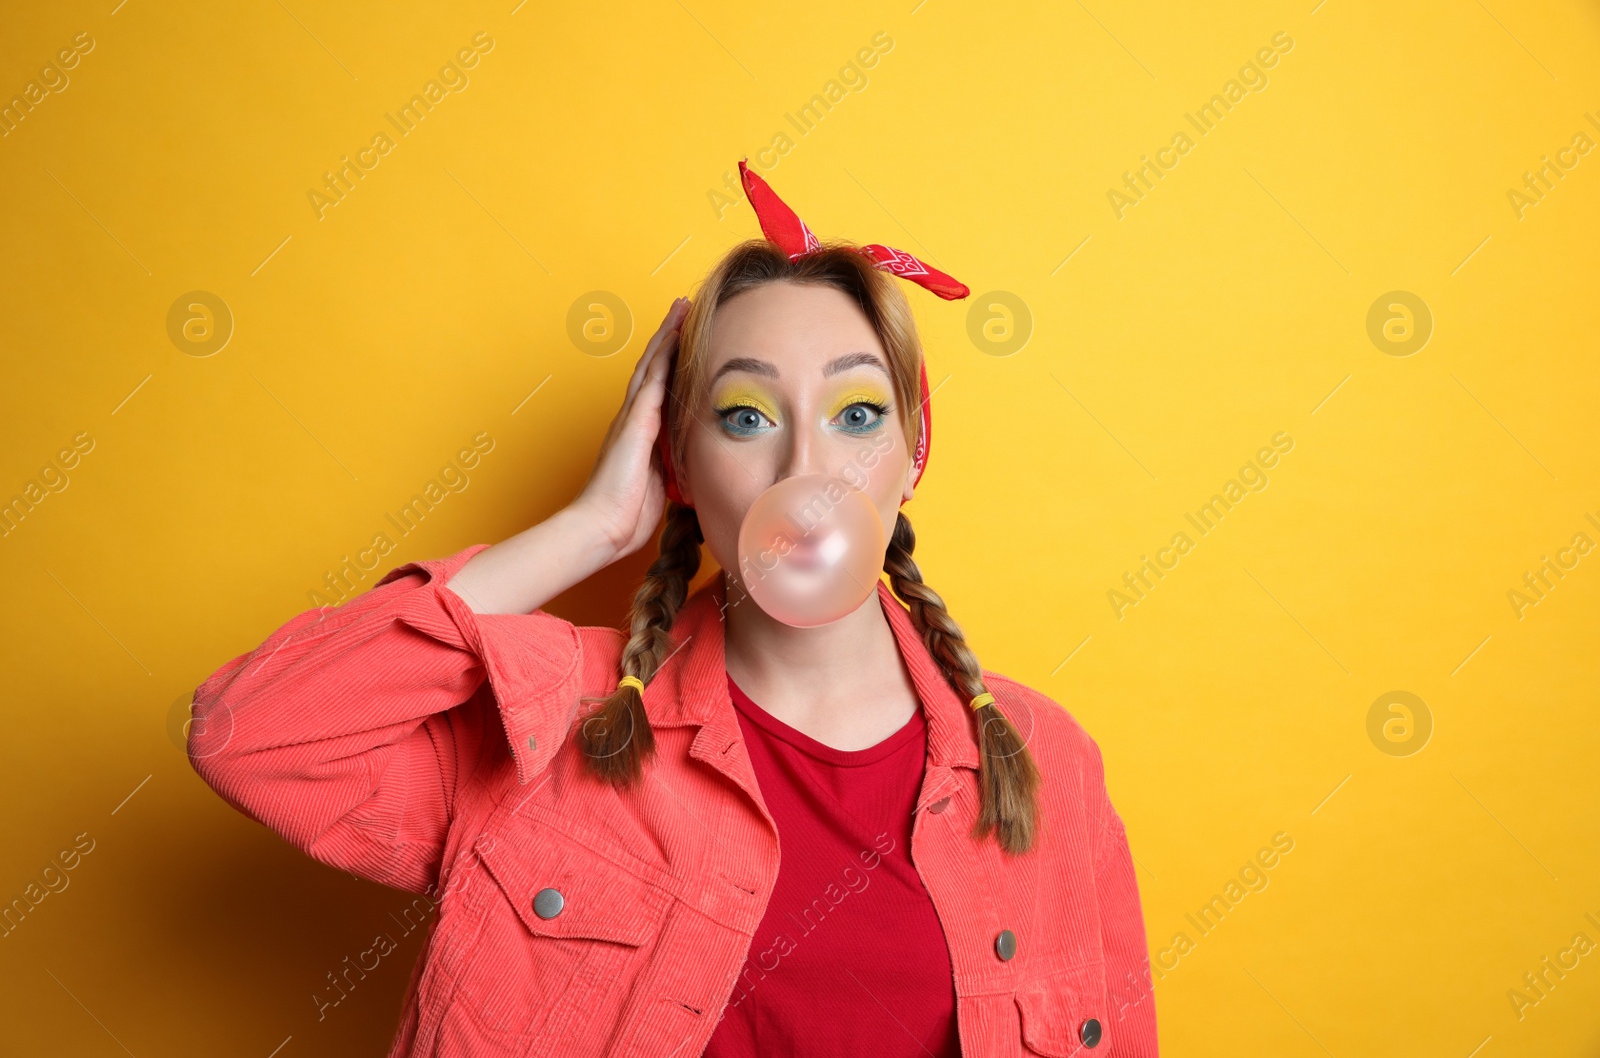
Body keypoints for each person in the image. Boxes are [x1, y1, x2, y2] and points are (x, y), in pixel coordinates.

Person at [188, 164, 1159, 1057]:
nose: (804, 466)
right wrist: (593, 525)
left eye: (856, 413)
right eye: (747, 415)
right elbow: (253, 732)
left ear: (910, 456)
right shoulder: (547, 722)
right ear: (679, 462)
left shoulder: (1045, 763)